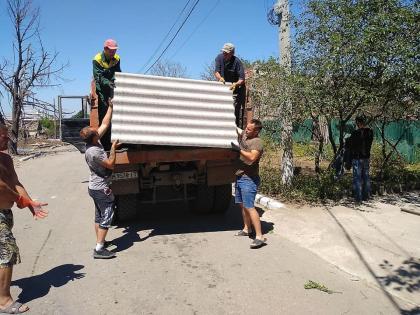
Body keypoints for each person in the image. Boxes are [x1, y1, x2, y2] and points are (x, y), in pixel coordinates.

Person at [0, 124, 48, 314]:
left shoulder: (5, 158)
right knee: (7, 252)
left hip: (5, 213)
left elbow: (15, 182)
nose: (7, 139)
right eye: (3, 136)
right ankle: (3, 301)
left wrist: (30, 204)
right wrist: (20, 199)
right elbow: (1, 187)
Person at [80, 101, 121, 259]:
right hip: (100, 188)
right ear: (94, 137)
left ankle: (101, 242)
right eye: (95, 131)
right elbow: (110, 165)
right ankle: (98, 249)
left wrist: (110, 107)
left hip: (94, 187)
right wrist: (113, 148)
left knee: (98, 216)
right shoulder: (96, 151)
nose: (98, 130)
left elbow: (104, 123)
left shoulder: (91, 144)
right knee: (107, 214)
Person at [231, 119, 266, 249]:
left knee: (250, 207)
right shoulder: (246, 135)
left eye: (250, 129)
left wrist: (238, 150)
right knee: (243, 206)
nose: (246, 130)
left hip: (249, 179)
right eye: (247, 128)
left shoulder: (257, 142)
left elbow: (251, 158)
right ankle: (247, 229)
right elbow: (239, 131)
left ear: (256, 131)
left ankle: (259, 237)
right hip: (240, 177)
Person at [93, 38, 121, 151]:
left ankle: (116, 142)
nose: (113, 52)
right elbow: (98, 77)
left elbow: (118, 72)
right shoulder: (97, 59)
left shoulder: (117, 58)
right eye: (111, 50)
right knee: (105, 116)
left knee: (117, 115)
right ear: (105, 49)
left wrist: (117, 80)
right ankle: (105, 146)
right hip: (103, 90)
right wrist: (107, 82)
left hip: (113, 87)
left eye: (115, 50)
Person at [214, 43, 246, 128]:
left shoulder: (237, 62)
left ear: (232, 53)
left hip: (237, 90)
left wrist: (236, 84)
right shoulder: (219, 58)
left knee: (235, 112)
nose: (224, 54)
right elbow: (216, 71)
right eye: (223, 52)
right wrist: (220, 78)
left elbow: (242, 79)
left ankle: (236, 129)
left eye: (226, 53)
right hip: (224, 88)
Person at [348, 115, 374, 203]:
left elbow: (351, 145)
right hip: (366, 158)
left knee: (357, 177)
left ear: (358, 123)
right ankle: (366, 196)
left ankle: (358, 198)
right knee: (366, 176)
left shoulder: (356, 133)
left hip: (357, 158)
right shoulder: (370, 132)